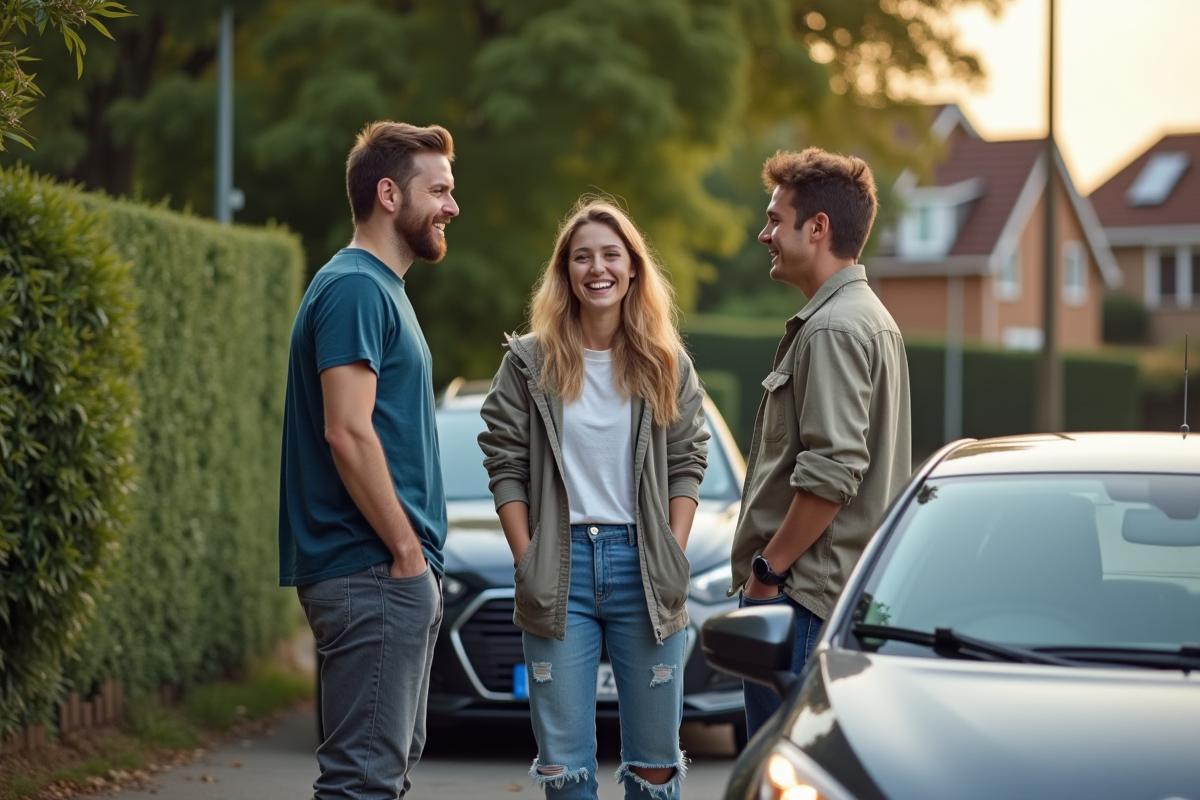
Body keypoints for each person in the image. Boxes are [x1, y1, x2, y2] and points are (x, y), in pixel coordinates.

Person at [478, 199, 708, 799]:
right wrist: (527, 554)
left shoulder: (666, 364)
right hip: (561, 569)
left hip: (645, 568)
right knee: (565, 768)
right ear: (566, 273)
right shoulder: (529, 363)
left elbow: (688, 460)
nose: (597, 268)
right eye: (582, 257)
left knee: (656, 766)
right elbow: (503, 458)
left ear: (633, 268)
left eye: (611, 254)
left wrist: (674, 552)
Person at [278, 121, 459, 800]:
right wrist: (408, 555)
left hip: (383, 574)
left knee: (381, 774)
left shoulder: (382, 290)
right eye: (437, 189)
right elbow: (348, 433)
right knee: (363, 783)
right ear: (389, 194)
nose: (451, 206)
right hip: (372, 569)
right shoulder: (355, 288)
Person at [730, 148, 911, 738]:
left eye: (775, 220)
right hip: (828, 596)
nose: (765, 234)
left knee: (783, 766)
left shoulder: (833, 327)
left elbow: (833, 470)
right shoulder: (867, 316)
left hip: (803, 599)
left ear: (818, 227)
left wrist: (767, 572)